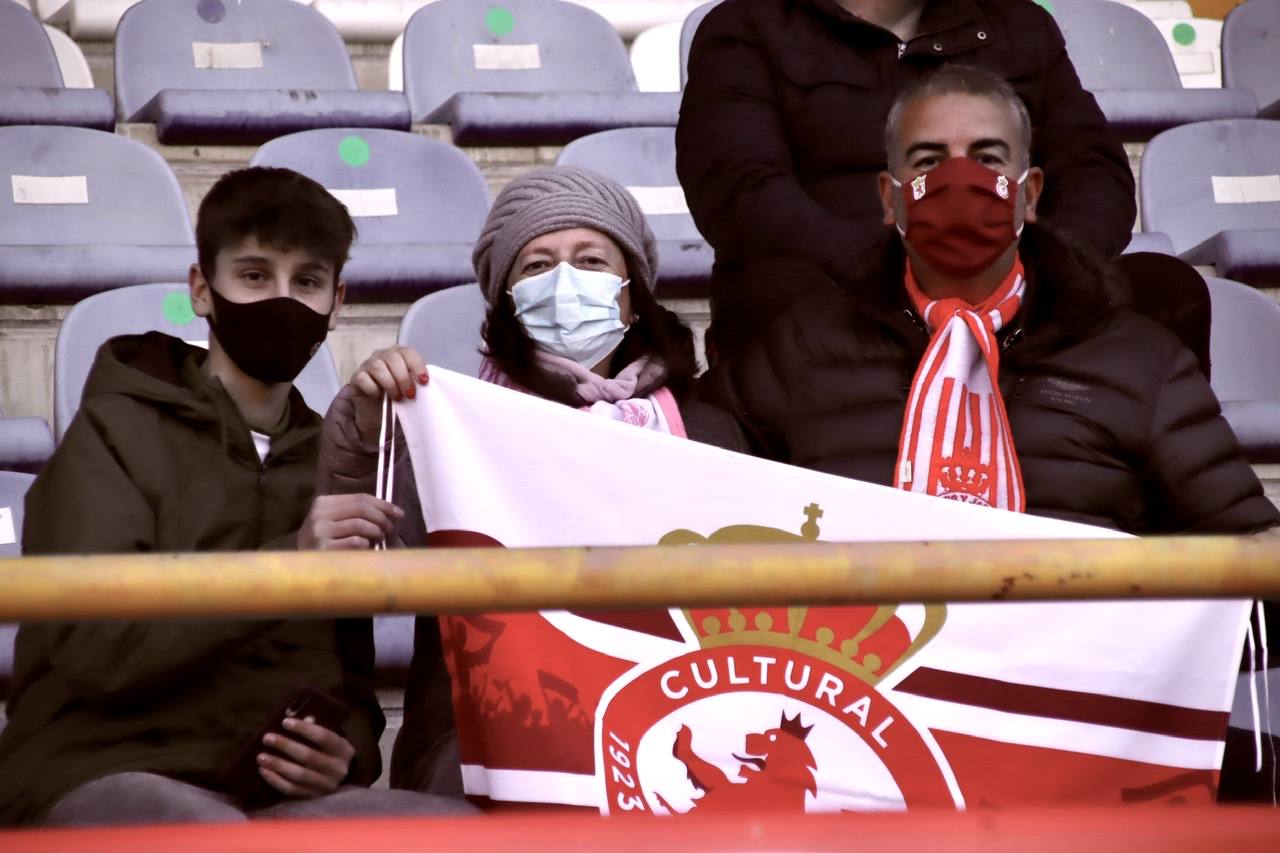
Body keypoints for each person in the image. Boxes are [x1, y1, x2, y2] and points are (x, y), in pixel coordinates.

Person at [0, 168, 473, 825]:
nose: (281, 299)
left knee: (455, 832)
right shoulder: (114, 428)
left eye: (306, 281)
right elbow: (94, 651)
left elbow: (352, 684)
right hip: (98, 769)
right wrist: (290, 563)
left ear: (337, 302)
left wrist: (345, 753)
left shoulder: (327, 459)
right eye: (254, 276)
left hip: (272, 793)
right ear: (202, 289)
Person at [702, 64, 1279, 536]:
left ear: (1029, 194)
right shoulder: (804, 347)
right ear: (890, 197)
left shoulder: (1137, 360)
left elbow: (1245, 551)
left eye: (988, 158)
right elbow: (686, 487)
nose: (960, 180)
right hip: (864, 668)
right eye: (928, 161)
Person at [315, 166, 747, 792]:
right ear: (507, 299)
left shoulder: (708, 431)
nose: (566, 280)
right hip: (479, 735)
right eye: (537, 265)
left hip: (672, 718)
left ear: (633, 291)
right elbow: (367, 557)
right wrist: (369, 422)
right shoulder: (449, 423)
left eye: (592, 260)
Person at [677, 0, 1138, 363]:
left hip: (1012, 288)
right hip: (835, 290)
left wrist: (1040, 270)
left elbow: (1093, 169)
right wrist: (894, 275)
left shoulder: (1020, 26)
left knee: (1163, 287)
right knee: (782, 295)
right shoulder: (748, 26)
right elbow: (738, 190)